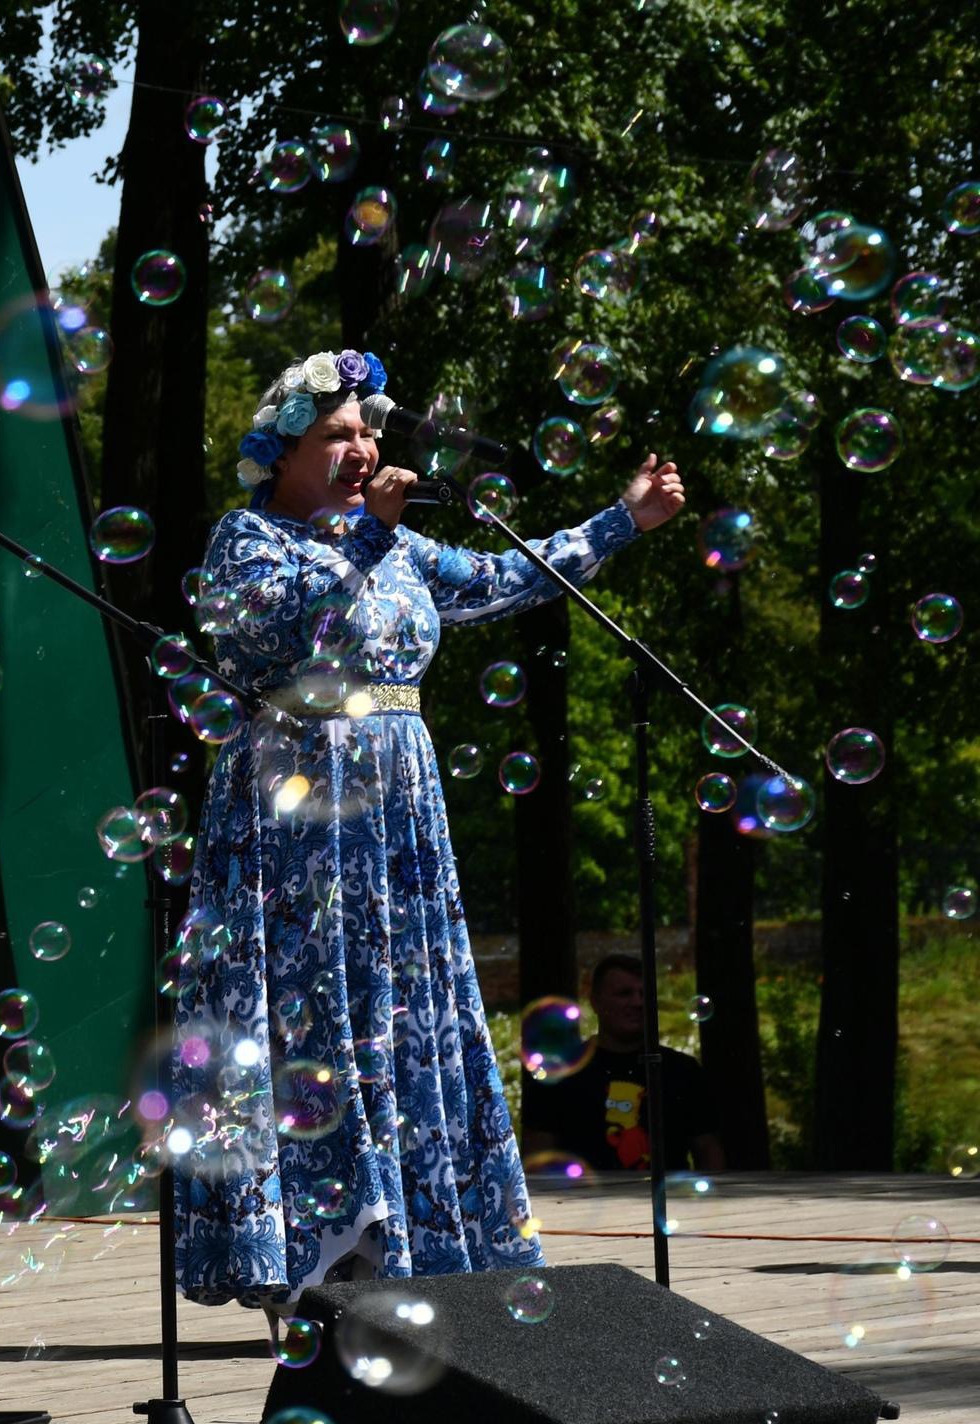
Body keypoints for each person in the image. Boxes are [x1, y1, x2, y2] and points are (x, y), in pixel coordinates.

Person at [169, 347, 685, 1309]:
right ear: (280, 454)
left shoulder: (396, 543)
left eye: (367, 429)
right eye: (336, 433)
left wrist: (626, 520)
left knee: (401, 1021)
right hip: (297, 831)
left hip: (397, 827)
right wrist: (367, 538)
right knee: (316, 1021)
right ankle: (318, 1248)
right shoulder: (247, 541)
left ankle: (407, 1233)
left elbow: (504, 578)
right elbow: (283, 634)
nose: (361, 445)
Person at [524, 953, 727, 1176]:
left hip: (672, 1206)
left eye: (644, 994)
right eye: (624, 994)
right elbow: (538, 1153)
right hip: (579, 1205)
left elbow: (707, 1149)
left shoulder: (683, 1070)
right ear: (596, 1002)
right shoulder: (562, 1072)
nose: (638, 1002)